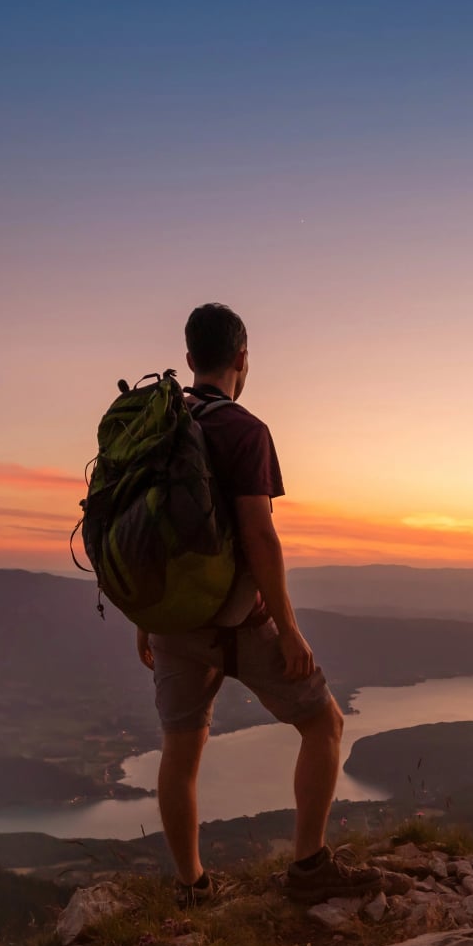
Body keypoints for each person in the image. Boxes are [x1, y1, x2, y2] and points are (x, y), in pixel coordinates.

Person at [134, 303, 381, 906]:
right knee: (324, 723)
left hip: (172, 622)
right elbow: (259, 535)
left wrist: (146, 617)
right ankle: (308, 867)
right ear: (243, 359)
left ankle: (192, 886)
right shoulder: (246, 431)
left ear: (190, 360)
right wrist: (290, 629)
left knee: (180, 752)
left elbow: (141, 534)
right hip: (244, 621)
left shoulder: (152, 426)